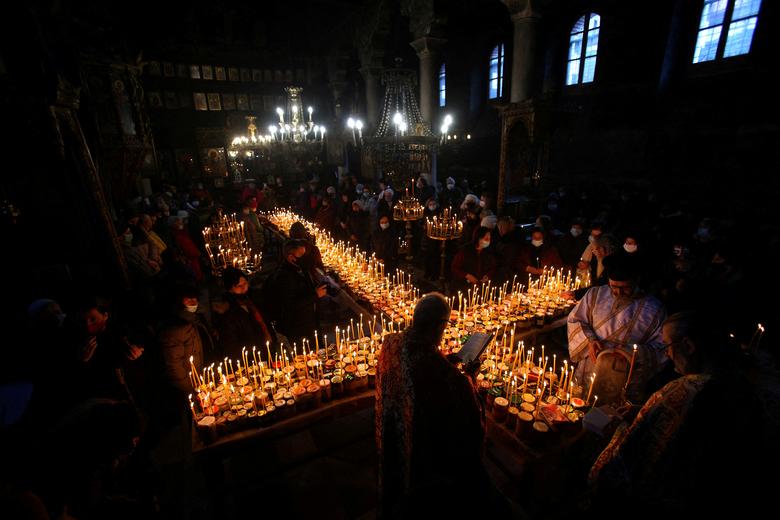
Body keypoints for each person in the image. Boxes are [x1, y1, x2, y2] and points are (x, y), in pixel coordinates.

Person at [587, 311, 759, 514]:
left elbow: (629, 457)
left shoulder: (684, 392)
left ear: (688, 346)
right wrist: (645, 412)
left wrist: (619, 427)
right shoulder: (742, 381)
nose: (667, 354)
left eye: (667, 346)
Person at [376, 293, 492, 518]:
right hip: (422, 457)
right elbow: (468, 421)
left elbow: (413, 367)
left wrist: (445, 360)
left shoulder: (390, 343)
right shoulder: (445, 376)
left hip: (393, 434)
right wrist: (470, 377)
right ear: (440, 326)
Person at [567, 254, 666, 403]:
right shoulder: (595, 294)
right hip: (591, 365)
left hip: (626, 373)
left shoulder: (654, 309)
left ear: (636, 280)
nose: (618, 292)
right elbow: (576, 320)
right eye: (613, 286)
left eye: (625, 288)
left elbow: (662, 347)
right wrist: (590, 340)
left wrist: (632, 353)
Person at [268, 240, 327, 345]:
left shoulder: (300, 268)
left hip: (310, 321)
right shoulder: (283, 277)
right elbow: (290, 305)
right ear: (291, 257)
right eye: (301, 255)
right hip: (298, 327)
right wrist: (315, 295)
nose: (305, 257)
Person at [215, 268, 273, 361]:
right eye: (238, 286)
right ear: (230, 289)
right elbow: (231, 345)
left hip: (267, 350)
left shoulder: (253, 299)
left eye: (245, 283)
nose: (243, 288)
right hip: (250, 358)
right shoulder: (228, 312)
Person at [451, 227, 496, 293]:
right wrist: (467, 275)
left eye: (489, 239)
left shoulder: (488, 252)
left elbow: (493, 267)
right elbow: (455, 268)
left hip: (481, 287)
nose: (488, 241)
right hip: (464, 286)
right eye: (486, 239)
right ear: (478, 238)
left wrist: (487, 276)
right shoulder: (465, 251)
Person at [494, 216, 524, 284]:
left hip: (508, 270)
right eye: (500, 226)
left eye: (504, 226)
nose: (501, 229)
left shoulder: (512, 238)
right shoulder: (497, 237)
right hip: (502, 269)